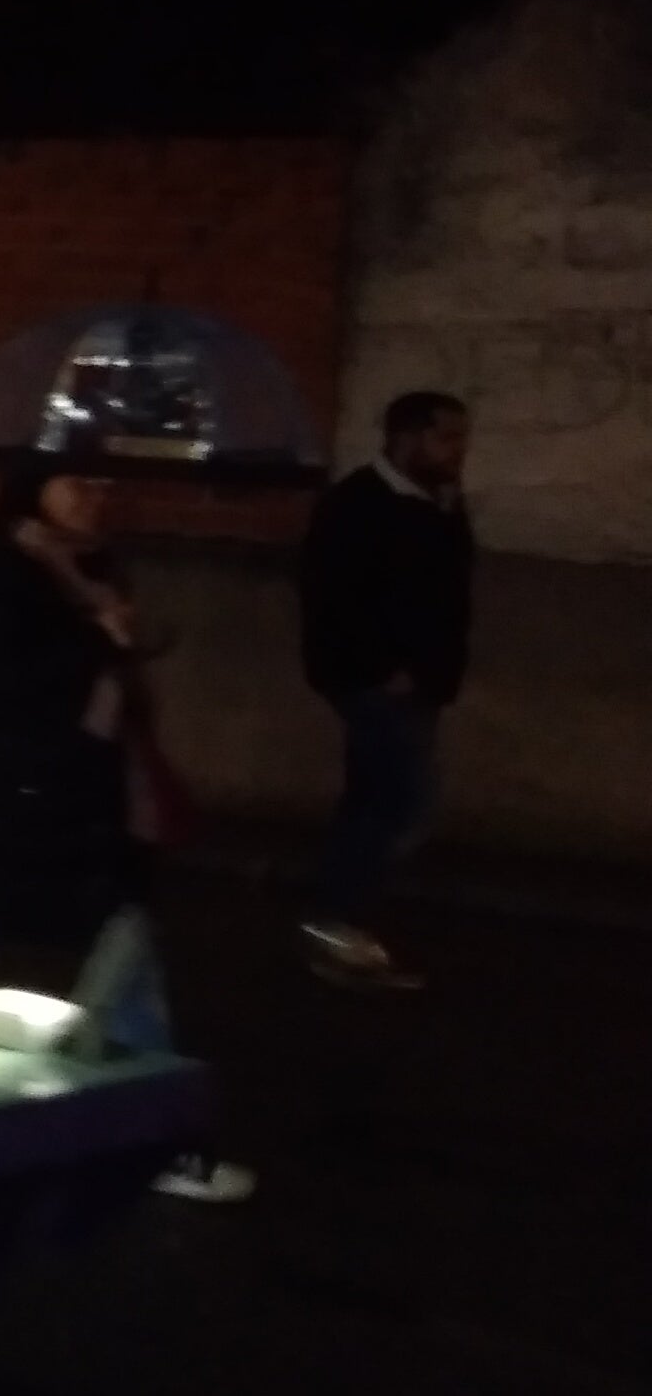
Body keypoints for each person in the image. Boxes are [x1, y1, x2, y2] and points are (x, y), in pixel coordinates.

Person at [0, 463, 241, 1199]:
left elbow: (122, 669)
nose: (93, 499)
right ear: (32, 493)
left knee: (124, 944)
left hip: (87, 797)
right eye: (72, 485)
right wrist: (99, 636)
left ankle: (158, 1136)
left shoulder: (93, 570)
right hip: (17, 793)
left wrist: (116, 630)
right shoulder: (2, 575)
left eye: (101, 487)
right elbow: (0, 681)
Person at [295, 389, 475, 990]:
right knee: (403, 801)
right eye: (446, 437)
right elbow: (331, 597)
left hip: (419, 680)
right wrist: (379, 667)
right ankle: (335, 917)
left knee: (373, 799)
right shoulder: (358, 505)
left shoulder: (439, 505)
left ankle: (333, 922)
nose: (458, 451)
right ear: (407, 437)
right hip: (375, 680)